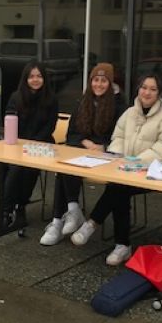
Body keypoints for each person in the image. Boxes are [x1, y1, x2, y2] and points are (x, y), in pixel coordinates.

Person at [70, 74, 162, 266]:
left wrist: (135, 161)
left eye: (153, 89)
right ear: (138, 89)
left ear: (159, 93)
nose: (147, 92)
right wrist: (120, 157)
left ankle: (94, 224)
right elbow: (117, 137)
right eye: (144, 87)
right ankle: (121, 245)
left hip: (150, 172)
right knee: (120, 188)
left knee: (118, 188)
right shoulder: (129, 112)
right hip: (125, 168)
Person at [39, 63, 125, 246]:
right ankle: (67, 213)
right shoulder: (83, 102)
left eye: (103, 81)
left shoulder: (120, 106)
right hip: (83, 151)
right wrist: (85, 143)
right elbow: (72, 134)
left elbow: (121, 137)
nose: (99, 84)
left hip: (107, 157)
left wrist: (103, 147)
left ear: (110, 84)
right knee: (62, 165)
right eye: (95, 80)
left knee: (65, 170)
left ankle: (61, 219)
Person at [1, 62, 59, 228]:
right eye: (31, 76)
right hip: (17, 144)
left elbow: (50, 126)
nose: (35, 80)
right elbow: (10, 121)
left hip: (41, 144)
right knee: (14, 169)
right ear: (26, 79)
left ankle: (20, 206)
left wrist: (33, 143)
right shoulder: (16, 97)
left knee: (29, 170)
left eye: (39, 76)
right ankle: (6, 211)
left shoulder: (51, 99)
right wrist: (20, 143)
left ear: (44, 78)